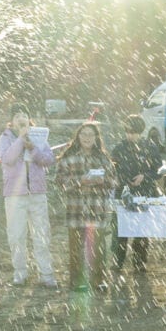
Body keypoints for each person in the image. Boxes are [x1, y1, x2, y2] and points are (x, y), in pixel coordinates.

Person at [0, 103, 58, 288]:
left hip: (37, 193)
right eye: (17, 116)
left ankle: (46, 274)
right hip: (14, 195)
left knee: (41, 234)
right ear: (11, 121)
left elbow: (49, 159)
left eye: (24, 114)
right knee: (16, 235)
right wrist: (20, 140)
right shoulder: (5, 137)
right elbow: (7, 159)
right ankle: (20, 273)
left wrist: (33, 148)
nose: (21, 118)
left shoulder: (39, 136)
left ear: (29, 119)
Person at [55, 122, 117, 292]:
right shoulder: (69, 157)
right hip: (75, 209)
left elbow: (113, 181)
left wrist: (103, 181)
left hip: (97, 209)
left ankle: (99, 281)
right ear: (78, 137)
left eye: (91, 134)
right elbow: (59, 181)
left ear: (96, 138)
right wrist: (79, 181)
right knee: (76, 248)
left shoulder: (103, 159)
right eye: (84, 134)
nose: (87, 138)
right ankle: (76, 281)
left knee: (98, 248)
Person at [110, 114, 161, 274]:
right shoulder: (119, 148)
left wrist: (144, 176)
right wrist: (119, 179)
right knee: (119, 229)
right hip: (122, 192)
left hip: (144, 192)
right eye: (127, 131)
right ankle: (117, 261)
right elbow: (112, 169)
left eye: (133, 132)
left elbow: (158, 170)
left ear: (141, 131)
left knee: (142, 229)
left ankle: (140, 262)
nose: (130, 135)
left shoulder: (151, 147)